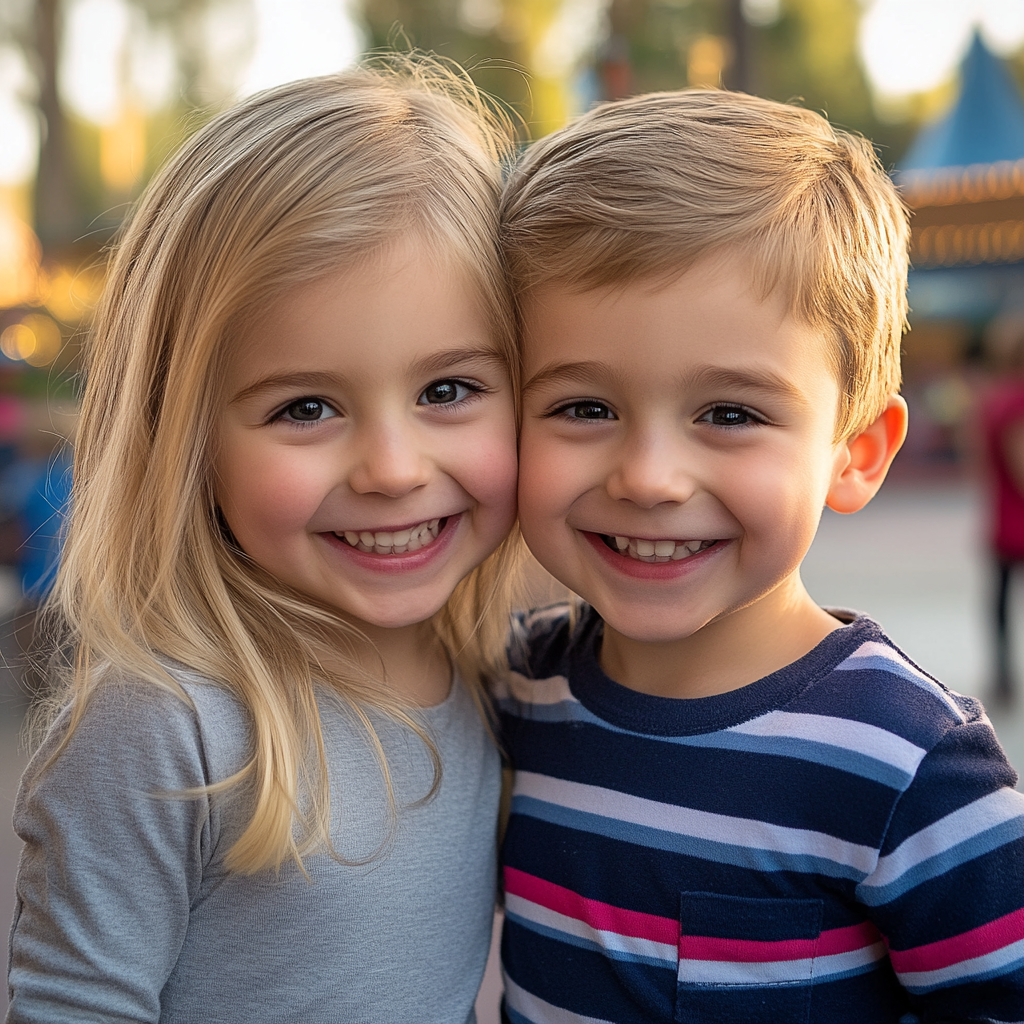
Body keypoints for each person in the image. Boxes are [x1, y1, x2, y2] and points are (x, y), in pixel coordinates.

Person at [7, 58, 521, 1024]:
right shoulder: (170, 728)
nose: (392, 468)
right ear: (184, 436)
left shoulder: (505, 682)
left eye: (447, 390)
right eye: (306, 407)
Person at [495, 90, 1024, 1023]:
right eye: (584, 407)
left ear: (856, 449)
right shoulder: (516, 692)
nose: (651, 478)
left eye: (731, 414)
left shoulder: (913, 766)